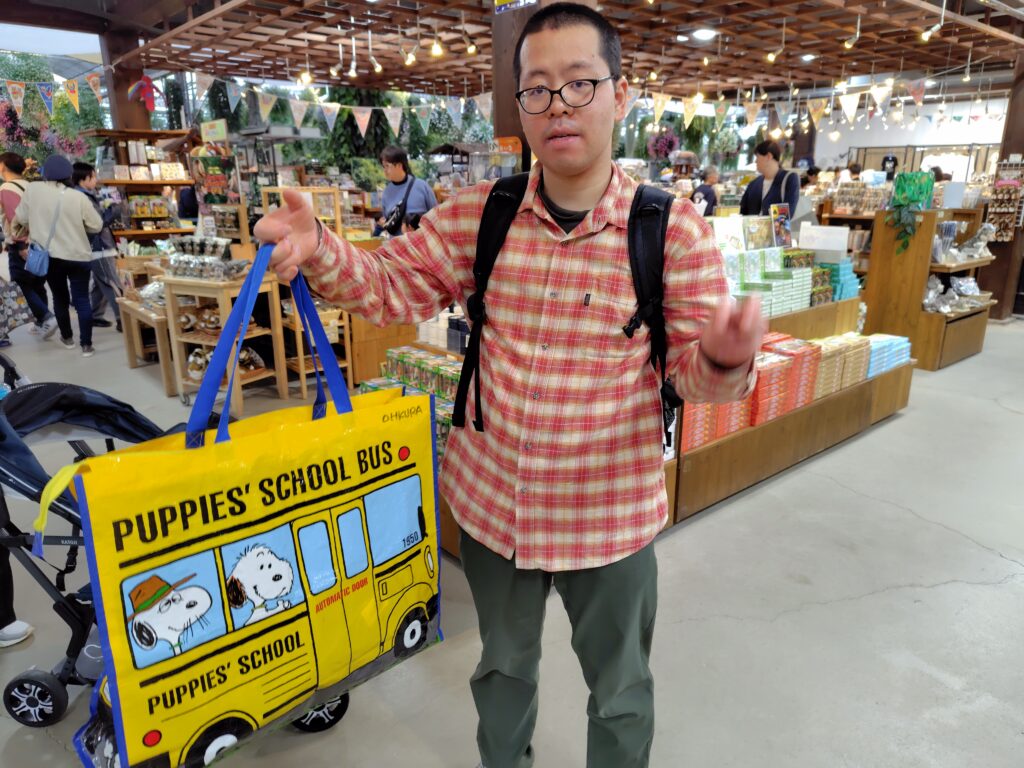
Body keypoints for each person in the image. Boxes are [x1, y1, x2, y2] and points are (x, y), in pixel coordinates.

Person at [255, 4, 762, 767]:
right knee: (501, 674)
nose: (558, 106)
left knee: (621, 690)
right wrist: (320, 246)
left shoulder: (670, 229)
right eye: (537, 89)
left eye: (580, 84)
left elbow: (690, 376)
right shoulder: (481, 216)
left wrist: (722, 357)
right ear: (519, 103)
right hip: (495, 508)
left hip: (609, 517)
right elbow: (391, 286)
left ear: (620, 95)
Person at [16, 156, 102, 357]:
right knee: (82, 300)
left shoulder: (33, 190)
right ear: (69, 175)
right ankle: (86, 345)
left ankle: (67, 338)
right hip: (78, 255)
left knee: (60, 297)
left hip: (52, 256)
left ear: (44, 173)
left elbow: (21, 217)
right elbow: (96, 225)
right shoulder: (78, 197)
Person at [0, 152, 56, 341]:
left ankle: (46, 317)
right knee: (37, 282)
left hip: (23, 243)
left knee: (21, 283)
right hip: (41, 241)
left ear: (3, 166)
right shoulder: (30, 186)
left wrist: (20, 244)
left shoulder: (7, 188)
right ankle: (41, 323)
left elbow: (15, 217)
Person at [73, 162, 124, 333]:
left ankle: (95, 315)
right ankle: (123, 318)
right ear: (83, 179)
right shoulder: (84, 198)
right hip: (99, 246)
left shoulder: (85, 196)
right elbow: (98, 223)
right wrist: (114, 209)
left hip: (96, 245)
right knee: (111, 282)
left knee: (100, 282)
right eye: (93, 176)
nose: (95, 180)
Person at [372, 145, 437, 236]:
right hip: (397, 243)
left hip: (421, 241)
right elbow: (387, 219)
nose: (385, 170)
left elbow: (436, 216)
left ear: (399, 165)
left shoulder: (422, 187)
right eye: (383, 166)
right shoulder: (386, 192)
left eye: (387, 166)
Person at [739, 140, 799, 215]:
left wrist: (761, 219)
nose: (755, 161)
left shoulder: (789, 178)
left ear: (768, 156)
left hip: (776, 224)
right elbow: (742, 212)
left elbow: (787, 213)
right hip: (751, 223)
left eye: (757, 157)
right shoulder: (753, 184)